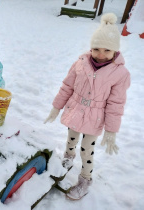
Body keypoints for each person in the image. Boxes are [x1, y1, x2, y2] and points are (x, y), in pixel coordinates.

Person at [44, 13, 130, 200]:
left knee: (86, 149)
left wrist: (111, 130)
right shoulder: (81, 63)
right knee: (71, 140)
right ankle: (67, 159)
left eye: (107, 50)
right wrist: (56, 107)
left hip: (95, 117)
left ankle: (85, 179)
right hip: (75, 111)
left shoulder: (120, 74)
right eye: (96, 49)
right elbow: (67, 86)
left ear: (115, 51)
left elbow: (116, 103)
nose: (100, 54)